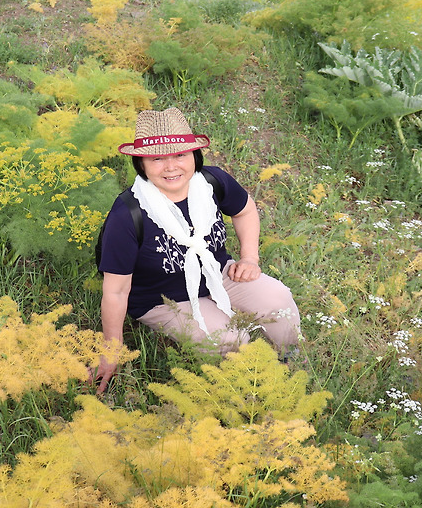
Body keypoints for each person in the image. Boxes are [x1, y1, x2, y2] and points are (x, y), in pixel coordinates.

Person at [92, 107, 301, 393]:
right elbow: (115, 291)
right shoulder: (128, 214)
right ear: (141, 164)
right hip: (161, 298)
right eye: (157, 158)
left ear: (194, 155)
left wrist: (250, 258)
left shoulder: (211, 183)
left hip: (218, 274)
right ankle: (248, 389)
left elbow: (245, 210)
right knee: (229, 340)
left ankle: (291, 360)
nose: (171, 167)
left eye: (180, 154)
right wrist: (111, 351)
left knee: (279, 300)